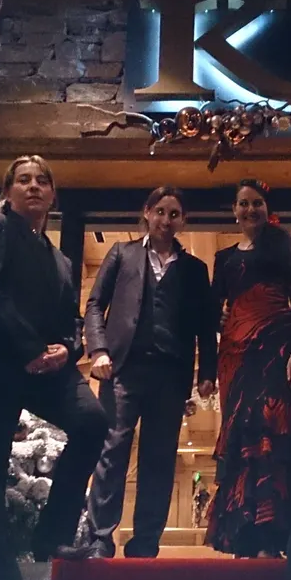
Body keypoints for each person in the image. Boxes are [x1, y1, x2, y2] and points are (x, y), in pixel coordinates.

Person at [0, 155, 108, 580]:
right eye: (24, 180)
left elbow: (71, 319)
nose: (34, 186)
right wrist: (30, 349)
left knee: (92, 421)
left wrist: (67, 349)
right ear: (8, 190)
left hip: (45, 369)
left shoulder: (59, 259)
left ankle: (53, 535)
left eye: (43, 181)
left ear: (53, 195)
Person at [60, 186, 217, 560]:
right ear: (147, 212)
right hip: (122, 369)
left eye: (174, 214)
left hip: (171, 376)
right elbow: (95, 305)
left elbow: (205, 324)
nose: (166, 219)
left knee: (160, 459)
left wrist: (207, 372)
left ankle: (146, 544)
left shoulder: (195, 269)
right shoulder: (121, 253)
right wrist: (98, 349)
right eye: (160, 211)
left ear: (183, 221)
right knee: (111, 452)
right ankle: (100, 539)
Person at [205, 179, 291, 558]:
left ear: (267, 208)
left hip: (275, 349)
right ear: (234, 211)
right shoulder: (224, 258)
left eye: (257, 203)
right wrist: (223, 323)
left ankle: (272, 536)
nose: (250, 210)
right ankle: (244, 538)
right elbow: (211, 308)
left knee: (272, 431)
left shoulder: (285, 246)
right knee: (240, 435)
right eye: (244, 204)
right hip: (234, 355)